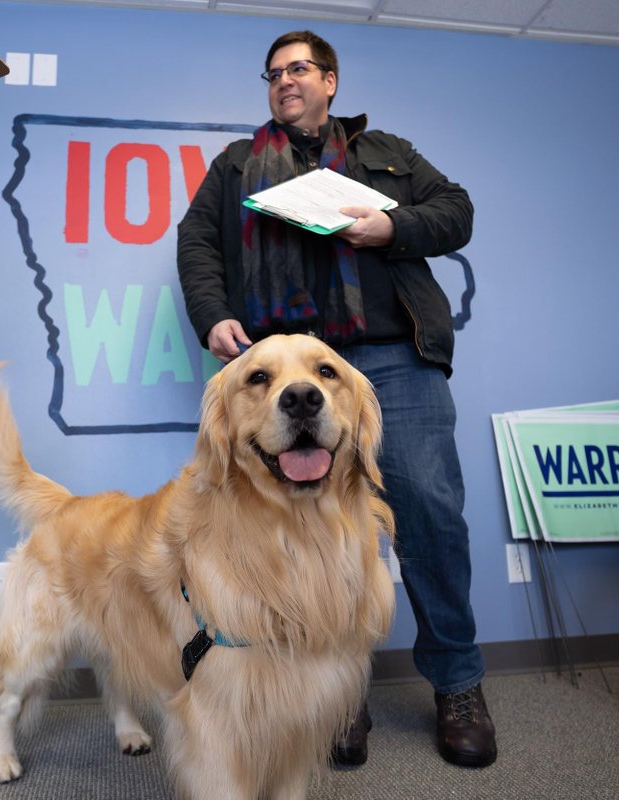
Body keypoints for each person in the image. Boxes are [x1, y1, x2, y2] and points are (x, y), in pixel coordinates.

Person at [176, 30, 496, 769]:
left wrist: (392, 225)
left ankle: (457, 683)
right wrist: (213, 313)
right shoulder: (235, 165)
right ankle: (337, 695)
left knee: (428, 511)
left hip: (391, 357)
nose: (284, 81)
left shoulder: (389, 151)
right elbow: (197, 242)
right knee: (306, 532)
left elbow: (457, 211)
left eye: (298, 69)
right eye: (274, 72)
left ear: (331, 80)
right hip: (288, 362)